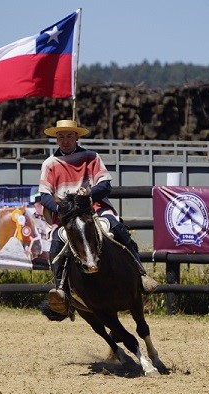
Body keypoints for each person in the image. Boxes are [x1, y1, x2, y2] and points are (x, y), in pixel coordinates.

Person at [38, 119, 159, 315]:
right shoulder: (49, 164)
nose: (65, 140)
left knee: (117, 228)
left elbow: (105, 185)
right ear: (56, 139)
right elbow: (44, 196)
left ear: (77, 137)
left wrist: (88, 194)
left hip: (94, 209)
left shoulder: (91, 157)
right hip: (67, 216)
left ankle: (141, 272)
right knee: (56, 244)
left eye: (69, 136)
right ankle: (60, 290)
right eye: (61, 137)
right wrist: (61, 209)